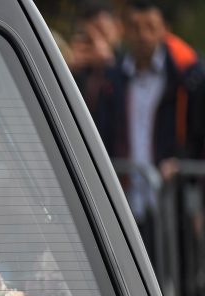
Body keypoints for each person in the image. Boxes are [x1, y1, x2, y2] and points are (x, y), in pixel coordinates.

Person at [94, 0, 205, 260]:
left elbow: (198, 136)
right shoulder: (113, 80)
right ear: (125, 30)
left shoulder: (187, 77)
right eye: (135, 27)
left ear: (164, 29)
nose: (143, 35)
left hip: (173, 201)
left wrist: (182, 164)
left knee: (183, 280)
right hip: (128, 200)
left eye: (150, 27)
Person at [69, 1, 124, 115]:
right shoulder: (80, 67)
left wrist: (109, 64)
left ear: (117, 28)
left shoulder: (128, 64)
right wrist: (67, 71)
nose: (98, 42)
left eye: (102, 32)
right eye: (90, 36)